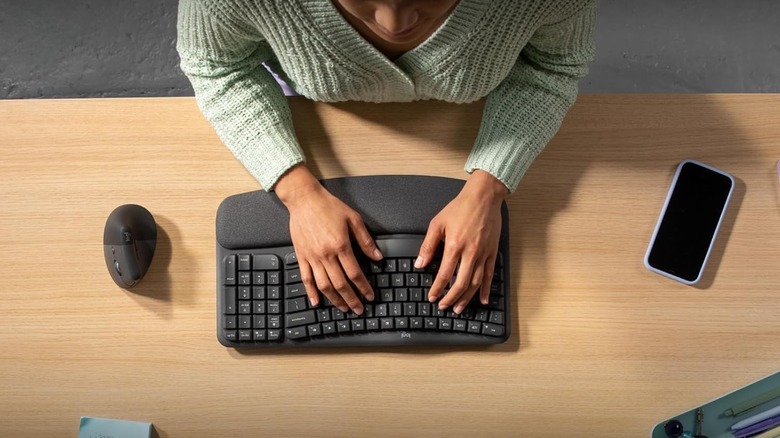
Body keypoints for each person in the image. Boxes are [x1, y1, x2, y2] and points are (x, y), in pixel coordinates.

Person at [177, 0, 597, 316]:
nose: (394, 23)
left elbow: (551, 67)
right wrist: (298, 192)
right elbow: (217, 66)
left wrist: (490, 188)